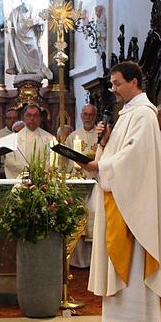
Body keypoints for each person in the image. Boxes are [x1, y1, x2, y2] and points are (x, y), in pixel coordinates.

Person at [82, 61, 161, 322]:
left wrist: (102, 167)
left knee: (134, 260)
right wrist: (103, 145)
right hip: (122, 198)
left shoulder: (145, 115)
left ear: (134, 82)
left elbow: (134, 157)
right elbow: (119, 152)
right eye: (112, 84)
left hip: (136, 204)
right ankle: (118, 319)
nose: (113, 90)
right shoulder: (127, 114)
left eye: (117, 83)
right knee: (118, 256)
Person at [68, 104, 100, 269]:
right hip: (77, 185)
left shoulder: (100, 136)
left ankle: (94, 260)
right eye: (85, 114)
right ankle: (77, 260)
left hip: (96, 184)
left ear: (95, 116)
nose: (87, 117)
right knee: (78, 218)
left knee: (95, 219)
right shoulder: (73, 136)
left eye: (91, 115)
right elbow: (66, 162)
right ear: (81, 115)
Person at [5, 0, 52, 81]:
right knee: (21, 56)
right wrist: (8, 24)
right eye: (22, 3)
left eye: (25, 3)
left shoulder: (35, 11)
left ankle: (37, 70)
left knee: (35, 52)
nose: (24, 6)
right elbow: (9, 20)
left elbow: (42, 20)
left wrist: (34, 22)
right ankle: (22, 71)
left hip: (31, 37)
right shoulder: (16, 11)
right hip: (19, 37)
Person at [4, 104, 56, 179]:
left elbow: (52, 160)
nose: (32, 118)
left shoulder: (49, 139)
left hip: (42, 181)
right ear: (23, 118)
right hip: (21, 181)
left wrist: (38, 170)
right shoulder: (13, 140)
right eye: (29, 115)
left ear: (40, 118)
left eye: (35, 115)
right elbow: (10, 162)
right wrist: (28, 169)